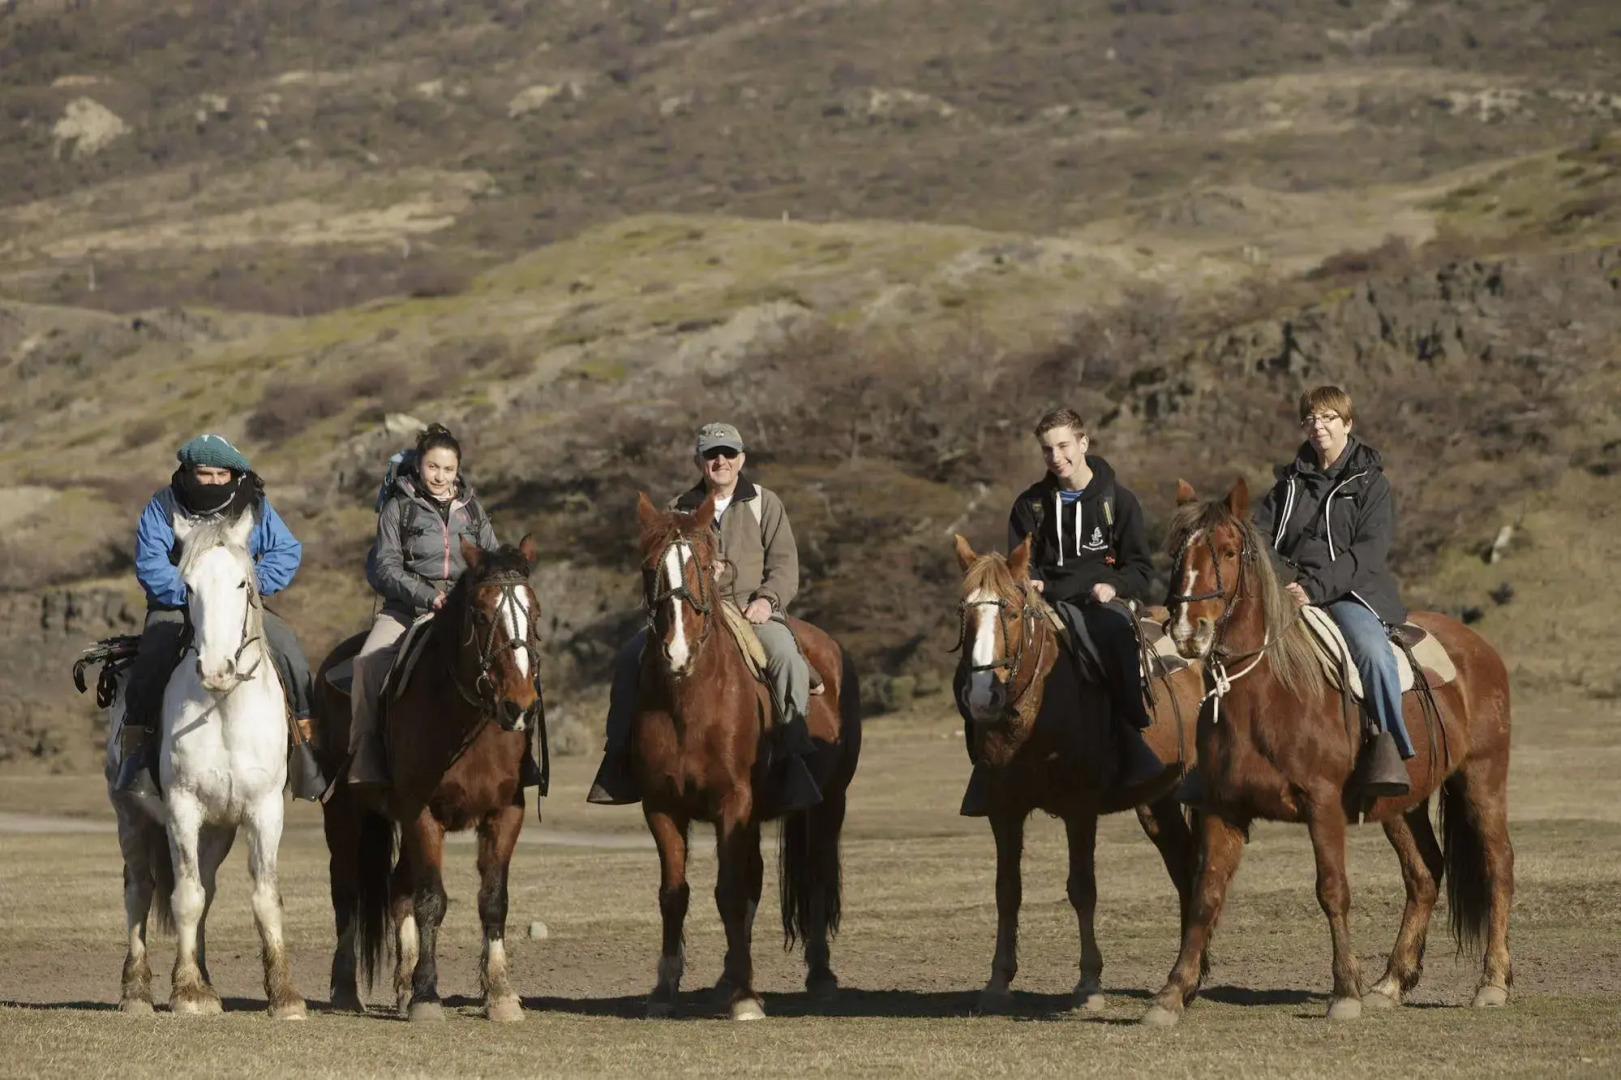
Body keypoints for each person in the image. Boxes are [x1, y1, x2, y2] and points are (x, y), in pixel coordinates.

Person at [586, 421, 821, 810]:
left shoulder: (765, 501)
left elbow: (784, 566)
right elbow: (661, 563)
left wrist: (767, 600)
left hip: (750, 608)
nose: (721, 461)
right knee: (630, 658)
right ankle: (618, 761)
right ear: (699, 461)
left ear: (741, 458)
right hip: (692, 608)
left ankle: (792, 756)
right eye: (712, 455)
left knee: (785, 657)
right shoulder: (680, 507)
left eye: (729, 453)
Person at [958, 407, 1176, 816]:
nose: (1056, 457)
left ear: (1083, 444)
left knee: (1114, 638)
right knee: (977, 657)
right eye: (1047, 449)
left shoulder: (1120, 501)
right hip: (1044, 606)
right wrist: (1031, 580)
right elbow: (1019, 562)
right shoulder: (1029, 505)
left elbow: (1141, 568)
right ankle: (984, 764)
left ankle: (1134, 737)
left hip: (1100, 605)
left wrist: (1114, 585)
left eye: (1063, 446)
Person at [115, 434, 322, 799]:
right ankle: (138, 753)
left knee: (288, 645)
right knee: (153, 657)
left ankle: (306, 745)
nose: (211, 481)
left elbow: (286, 549)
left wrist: (250, 587)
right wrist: (195, 593)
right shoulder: (163, 506)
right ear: (188, 471)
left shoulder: (254, 505)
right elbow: (150, 563)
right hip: (176, 607)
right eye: (203, 473)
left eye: (219, 474)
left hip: (239, 605)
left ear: (233, 474)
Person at [347, 423, 541, 790]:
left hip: (467, 608)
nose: (440, 476)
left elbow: (491, 560)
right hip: (407, 609)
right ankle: (365, 754)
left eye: (448, 469)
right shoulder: (397, 508)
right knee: (367, 663)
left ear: (458, 470)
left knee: (518, 657)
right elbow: (385, 567)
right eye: (433, 467)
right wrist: (427, 596)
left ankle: (523, 754)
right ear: (419, 465)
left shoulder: (473, 509)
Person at [1252, 385, 1412, 797]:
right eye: (1310, 419)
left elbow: (1368, 553)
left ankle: (1391, 747)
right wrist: (1284, 582)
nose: (1318, 427)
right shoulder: (1288, 482)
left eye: (1328, 418)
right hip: (1287, 591)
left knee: (1374, 654)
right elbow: (1258, 536)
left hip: (1350, 594)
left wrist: (1314, 589)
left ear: (1347, 424)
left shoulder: (1373, 485)